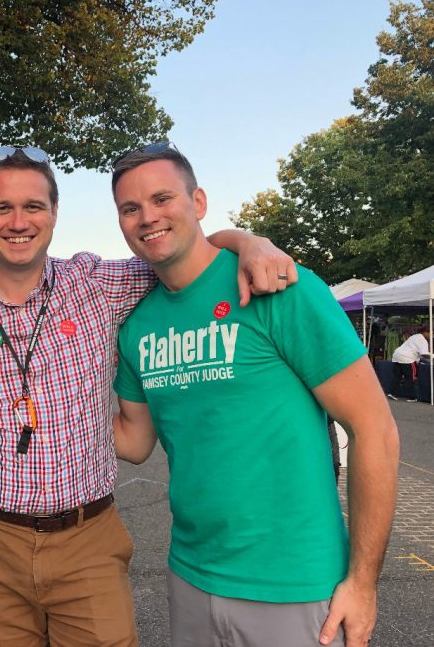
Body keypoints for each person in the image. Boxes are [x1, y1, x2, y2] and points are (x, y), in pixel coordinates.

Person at [0, 146, 297, 646]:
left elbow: (176, 245)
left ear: (55, 213)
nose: (18, 222)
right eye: (2, 208)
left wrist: (248, 241)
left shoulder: (98, 283)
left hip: (87, 537)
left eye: (34, 207)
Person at [110, 142, 399, 647]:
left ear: (197, 202)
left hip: (297, 584)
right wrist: (45, 400)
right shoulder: (137, 324)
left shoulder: (279, 287)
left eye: (162, 199)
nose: (147, 217)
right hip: (191, 574)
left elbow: (375, 429)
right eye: (130, 208)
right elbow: (135, 443)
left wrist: (364, 583)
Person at [388, 326, 431, 402]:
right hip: (407, 358)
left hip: (397, 355)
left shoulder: (414, 336)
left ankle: (392, 393)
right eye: (431, 333)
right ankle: (412, 397)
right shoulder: (422, 340)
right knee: (411, 378)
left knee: (397, 377)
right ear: (425, 332)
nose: (432, 335)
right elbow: (424, 354)